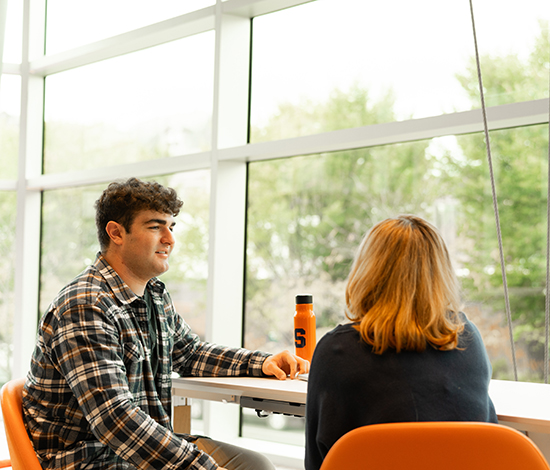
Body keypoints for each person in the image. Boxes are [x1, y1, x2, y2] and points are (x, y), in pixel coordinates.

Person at [23, 177, 309, 470]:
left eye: (171, 227)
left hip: (135, 449)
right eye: (155, 226)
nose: (169, 239)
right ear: (116, 233)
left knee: (255, 464)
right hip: (91, 459)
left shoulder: (154, 295)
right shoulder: (86, 305)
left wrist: (261, 363)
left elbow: (190, 353)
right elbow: (116, 420)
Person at [304, 215, 497, 470]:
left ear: (367, 272)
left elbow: (318, 461)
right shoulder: (467, 338)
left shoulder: (337, 351)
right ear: (441, 275)